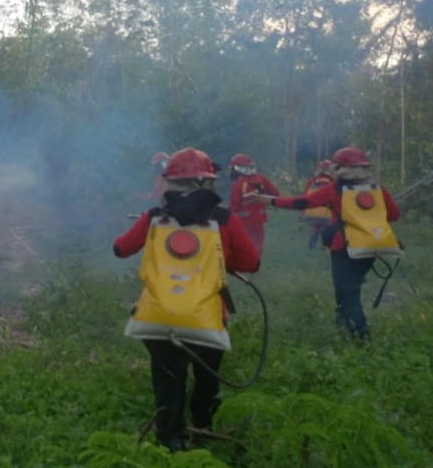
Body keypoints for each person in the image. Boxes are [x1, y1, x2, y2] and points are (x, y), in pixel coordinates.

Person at [114, 148, 260, 452]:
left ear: (169, 181)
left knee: (168, 377)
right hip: (207, 317)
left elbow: (121, 249)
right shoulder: (224, 219)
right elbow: (252, 263)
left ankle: (171, 439)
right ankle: (203, 424)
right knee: (207, 375)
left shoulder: (154, 217)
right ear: (208, 181)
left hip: (158, 316)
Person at [251, 146, 401, 341]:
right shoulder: (378, 189)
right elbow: (394, 215)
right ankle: (344, 324)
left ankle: (361, 335)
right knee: (349, 288)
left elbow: (303, 203)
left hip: (345, 248)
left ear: (338, 168)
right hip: (373, 247)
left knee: (348, 293)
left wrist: (270, 201)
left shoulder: (335, 190)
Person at [227, 154, 279, 255]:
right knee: (258, 242)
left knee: (244, 243)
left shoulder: (237, 185)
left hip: (243, 222)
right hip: (260, 219)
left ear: (236, 169)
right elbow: (275, 194)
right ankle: (256, 262)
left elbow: (234, 207)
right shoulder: (262, 179)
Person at [300, 159, 336, 250]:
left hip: (312, 210)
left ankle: (311, 247)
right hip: (327, 211)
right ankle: (325, 246)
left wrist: (303, 211)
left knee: (315, 227)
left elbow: (305, 196)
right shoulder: (333, 181)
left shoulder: (311, 181)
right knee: (326, 227)